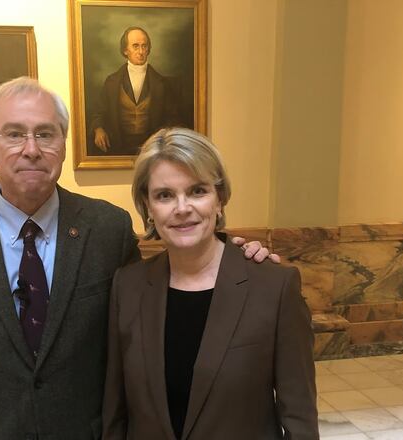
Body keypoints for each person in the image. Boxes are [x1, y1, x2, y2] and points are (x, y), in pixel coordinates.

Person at [0, 77, 274, 439]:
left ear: (63, 144)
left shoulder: (107, 229)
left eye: (46, 133)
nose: (31, 149)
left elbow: (145, 330)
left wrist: (233, 256)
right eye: (14, 134)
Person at [102, 128, 318, 439]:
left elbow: (300, 418)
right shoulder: (128, 287)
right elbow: (116, 411)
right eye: (164, 195)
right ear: (148, 208)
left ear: (220, 200)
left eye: (197, 191)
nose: (182, 208)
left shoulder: (274, 288)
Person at [91, 26, 183, 156]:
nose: (141, 51)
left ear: (148, 49)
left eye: (144, 46)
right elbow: (98, 112)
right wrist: (98, 129)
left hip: (151, 148)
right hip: (118, 145)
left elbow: (172, 119)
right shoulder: (111, 82)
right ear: (125, 50)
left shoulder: (162, 84)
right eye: (135, 46)